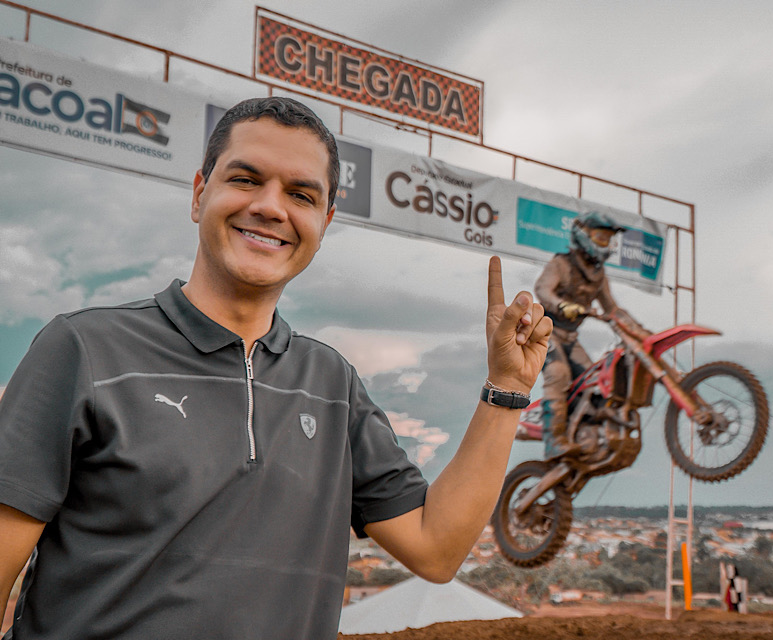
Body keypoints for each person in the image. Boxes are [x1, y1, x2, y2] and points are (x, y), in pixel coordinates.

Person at [0, 97, 551, 640]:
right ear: (199, 194)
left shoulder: (334, 385)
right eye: (245, 179)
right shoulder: (83, 350)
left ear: (325, 221)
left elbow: (437, 549)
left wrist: (506, 388)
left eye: (300, 194)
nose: (270, 207)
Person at [534, 211, 627, 458]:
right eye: (599, 236)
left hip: (571, 339)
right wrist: (561, 305)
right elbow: (542, 289)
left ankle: (586, 435)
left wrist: (635, 329)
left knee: (594, 380)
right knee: (558, 373)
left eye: (608, 238)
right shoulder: (561, 264)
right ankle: (553, 440)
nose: (603, 243)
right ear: (583, 235)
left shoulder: (598, 275)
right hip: (546, 335)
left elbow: (612, 308)